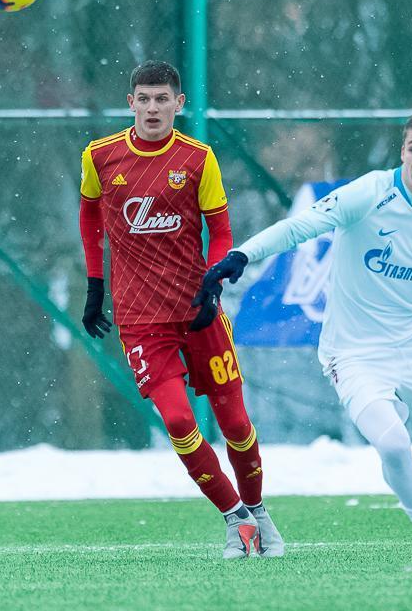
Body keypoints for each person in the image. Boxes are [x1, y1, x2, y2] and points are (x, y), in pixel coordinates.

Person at [192, 111, 412, 571]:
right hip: (352, 353)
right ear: (403, 152)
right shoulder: (371, 192)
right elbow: (300, 226)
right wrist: (243, 253)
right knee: (393, 443)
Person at [78, 60, 284, 559]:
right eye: (144, 99)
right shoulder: (99, 156)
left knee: (236, 425)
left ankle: (259, 513)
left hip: (198, 310)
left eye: (162, 99)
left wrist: (213, 285)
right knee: (176, 421)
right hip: (141, 319)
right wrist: (94, 286)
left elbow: (222, 232)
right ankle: (236, 520)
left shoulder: (198, 158)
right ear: (131, 103)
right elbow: (89, 220)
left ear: (178, 104)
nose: (153, 108)